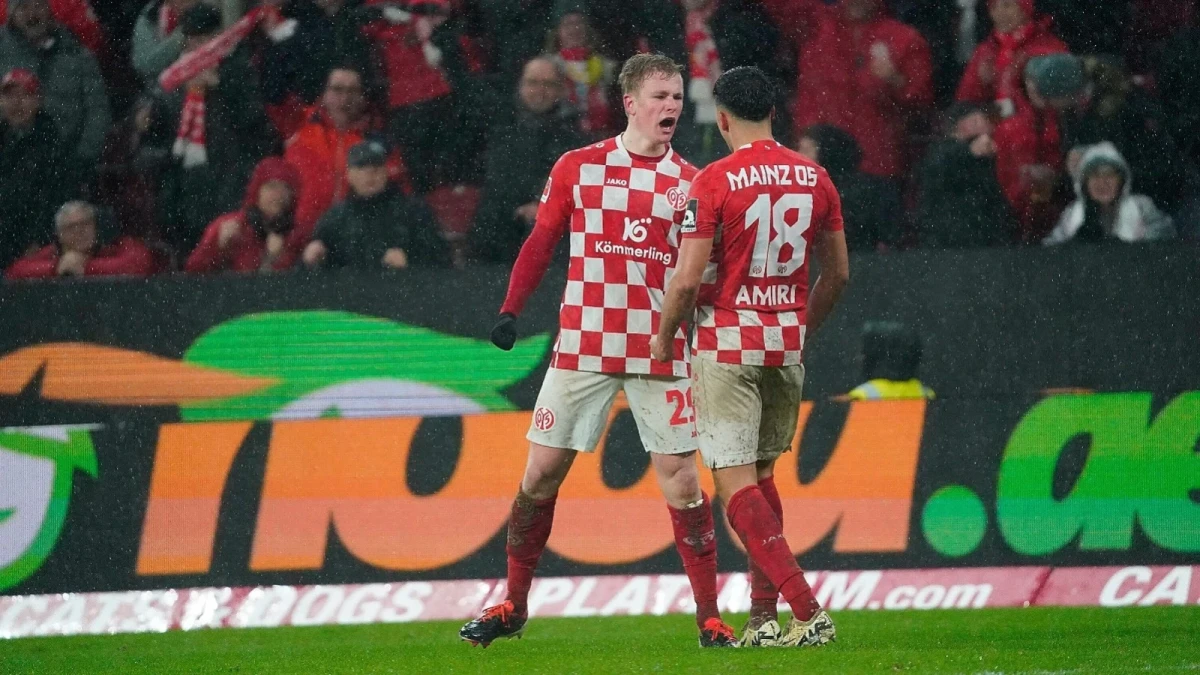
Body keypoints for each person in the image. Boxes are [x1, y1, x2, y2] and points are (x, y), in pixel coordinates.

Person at [459, 53, 738, 649]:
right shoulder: (579, 167)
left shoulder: (693, 182)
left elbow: (705, 275)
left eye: (677, 96)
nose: (672, 106)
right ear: (630, 103)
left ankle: (710, 616)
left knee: (683, 483)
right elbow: (541, 242)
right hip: (583, 345)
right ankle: (513, 602)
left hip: (659, 349)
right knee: (539, 474)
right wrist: (511, 309)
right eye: (660, 96)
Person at [652, 65, 848, 648]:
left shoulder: (712, 180)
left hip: (726, 344)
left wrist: (664, 336)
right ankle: (764, 621)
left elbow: (686, 282)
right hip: (784, 347)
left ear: (723, 118)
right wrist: (798, 327)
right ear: (775, 115)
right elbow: (837, 274)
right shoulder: (816, 178)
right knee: (762, 479)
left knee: (734, 485)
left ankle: (808, 611)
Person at [471, 56, 584, 263]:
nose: (540, 91)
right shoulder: (500, 128)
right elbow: (496, 180)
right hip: (502, 220)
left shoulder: (575, 137)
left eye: (548, 84)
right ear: (521, 86)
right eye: (533, 83)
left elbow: (573, 185)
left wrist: (540, 204)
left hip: (555, 223)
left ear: (560, 90)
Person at [284, 65, 405, 256]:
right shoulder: (297, 123)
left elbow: (400, 196)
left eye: (352, 91)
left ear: (363, 97)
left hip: (353, 242)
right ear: (324, 93)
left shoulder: (379, 142)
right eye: (337, 89)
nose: (344, 98)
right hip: (296, 240)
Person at [301, 140, 446, 269]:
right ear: (349, 175)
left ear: (386, 172)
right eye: (362, 168)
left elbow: (442, 261)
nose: (370, 174)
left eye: (376, 167)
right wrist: (311, 260)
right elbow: (311, 271)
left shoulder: (413, 211)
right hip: (350, 295)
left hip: (398, 294)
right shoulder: (335, 218)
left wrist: (411, 262)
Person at [0, 0, 109, 171]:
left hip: (65, 164)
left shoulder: (77, 53)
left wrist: (82, 159)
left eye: (38, 6)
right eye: (24, 7)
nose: (32, 14)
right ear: (12, 15)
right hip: (8, 161)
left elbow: (98, 111)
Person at [915, 103, 1014, 248]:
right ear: (964, 124)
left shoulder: (984, 151)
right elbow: (940, 169)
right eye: (982, 119)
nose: (989, 123)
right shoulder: (942, 151)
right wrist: (969, 152)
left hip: (979, 233)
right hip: (952, 236)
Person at [0, 68, 69, 269]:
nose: (17, 102)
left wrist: (39, 240)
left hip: (30, 243)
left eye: (25, 95)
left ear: (38, 101)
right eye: (10, 96)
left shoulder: (53, 148)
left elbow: (54, 201)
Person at [1043, 142, 1175, 245]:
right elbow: (1052, 251)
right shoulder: (1071, 215)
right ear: (1085, 184)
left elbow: (1167, 243)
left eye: (1110, 175)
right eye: (1095, 175)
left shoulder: (1141, 208)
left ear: (1122, 181)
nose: (1103, 182)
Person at [185, 157, 302, 273]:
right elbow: (192, 271)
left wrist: (273, 260)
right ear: (257, 192)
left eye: (286, 188)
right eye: (271, 187)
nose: (279, 195)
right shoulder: (230, 225)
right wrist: (219, 247)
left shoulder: (296, 234)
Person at [798, 123, 903, 251]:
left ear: (826, 153)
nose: (799, 156)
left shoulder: (866, 191)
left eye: (807, 150)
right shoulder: (802, 190)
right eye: (800, 149)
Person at [955, 0, 1067, 118]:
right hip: (991, 130)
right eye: (994, 7)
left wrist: (1021, 79)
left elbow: (1060, 103)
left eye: (1007, 5)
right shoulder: (985, 51)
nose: (999, 13)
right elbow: (964, 104)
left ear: (1025, 9)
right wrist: (981, 84)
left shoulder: (1049, 48)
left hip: (1038, 131)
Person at [6, 201, 158, 279]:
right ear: (59, 234)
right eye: (71, 227)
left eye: (85, 223)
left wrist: (86, 267)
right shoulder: (53, 252)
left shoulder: (113, 244)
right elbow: (15, 271)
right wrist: (57, 268)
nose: (79, 231)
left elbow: (139, 262)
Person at [847, 321, 935, 400]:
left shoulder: (860, 397)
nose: (859, 358)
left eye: (863, 353)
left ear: (872, 357)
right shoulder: (928, 395)